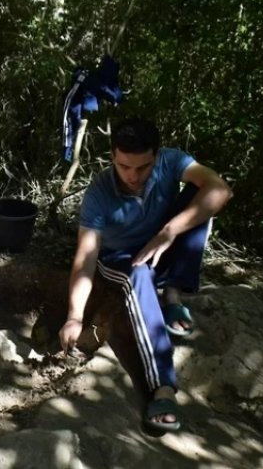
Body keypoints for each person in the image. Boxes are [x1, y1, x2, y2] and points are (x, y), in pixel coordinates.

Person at [57, 117, 232, 436]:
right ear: (112, 156)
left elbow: (220, 190)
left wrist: (168, 231)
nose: (133, 176)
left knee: (202, 196)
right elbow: (85, 259)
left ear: (157, 155)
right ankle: (163, 388)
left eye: (143, 167)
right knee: (137, 274)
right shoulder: (99, 194)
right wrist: (74, 316)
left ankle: (172, 296)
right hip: (121, 258)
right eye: (125, 166)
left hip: (161, 245)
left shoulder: (172, 161)